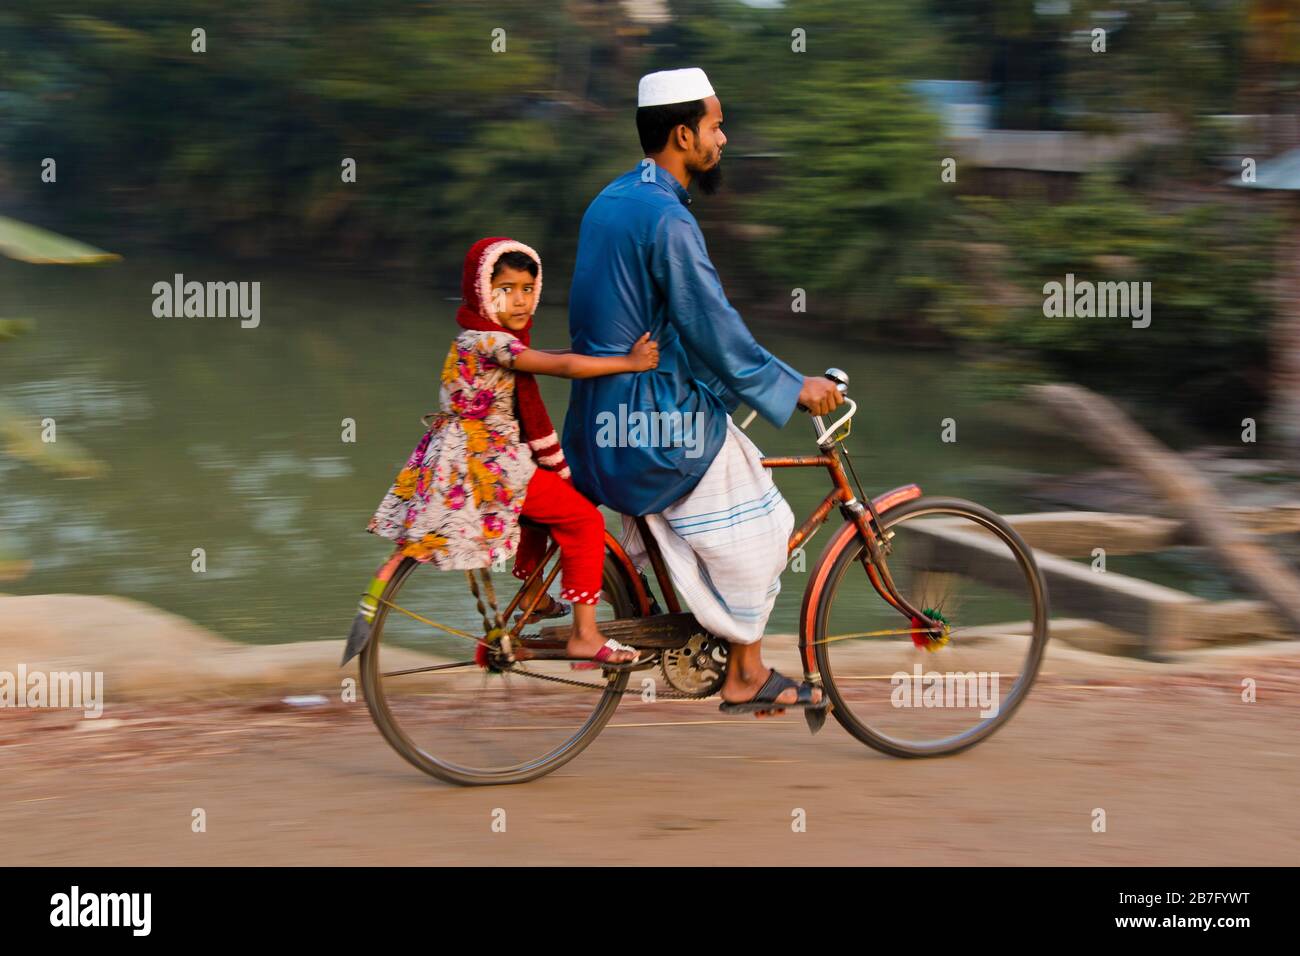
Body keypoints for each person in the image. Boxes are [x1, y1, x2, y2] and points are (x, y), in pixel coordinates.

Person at [562, 68, 844, 716]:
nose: (724, 138)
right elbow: (712, 326)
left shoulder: (611, 201)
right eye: (716, 126)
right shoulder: (667, 220)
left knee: (726, 471)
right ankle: (745, 671)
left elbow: (679, 330)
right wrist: (792, 387)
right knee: (768, 518)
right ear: (684, 134)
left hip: (597, 423)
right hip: (648, 426)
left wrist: (761, 379)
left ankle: (710, 642)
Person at [342, 237, 658, 668]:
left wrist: (601, 355)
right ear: (480, 292)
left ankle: (533, 592)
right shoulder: (494, 342)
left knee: (546, 508)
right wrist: (631, 364)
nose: (519, 300)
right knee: (584, 519)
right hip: (490, 468)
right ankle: (586, 635)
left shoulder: (472, 339)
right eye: (505, 289)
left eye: (528, 289)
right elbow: (562, 367)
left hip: (468, 464)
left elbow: (544, 357)